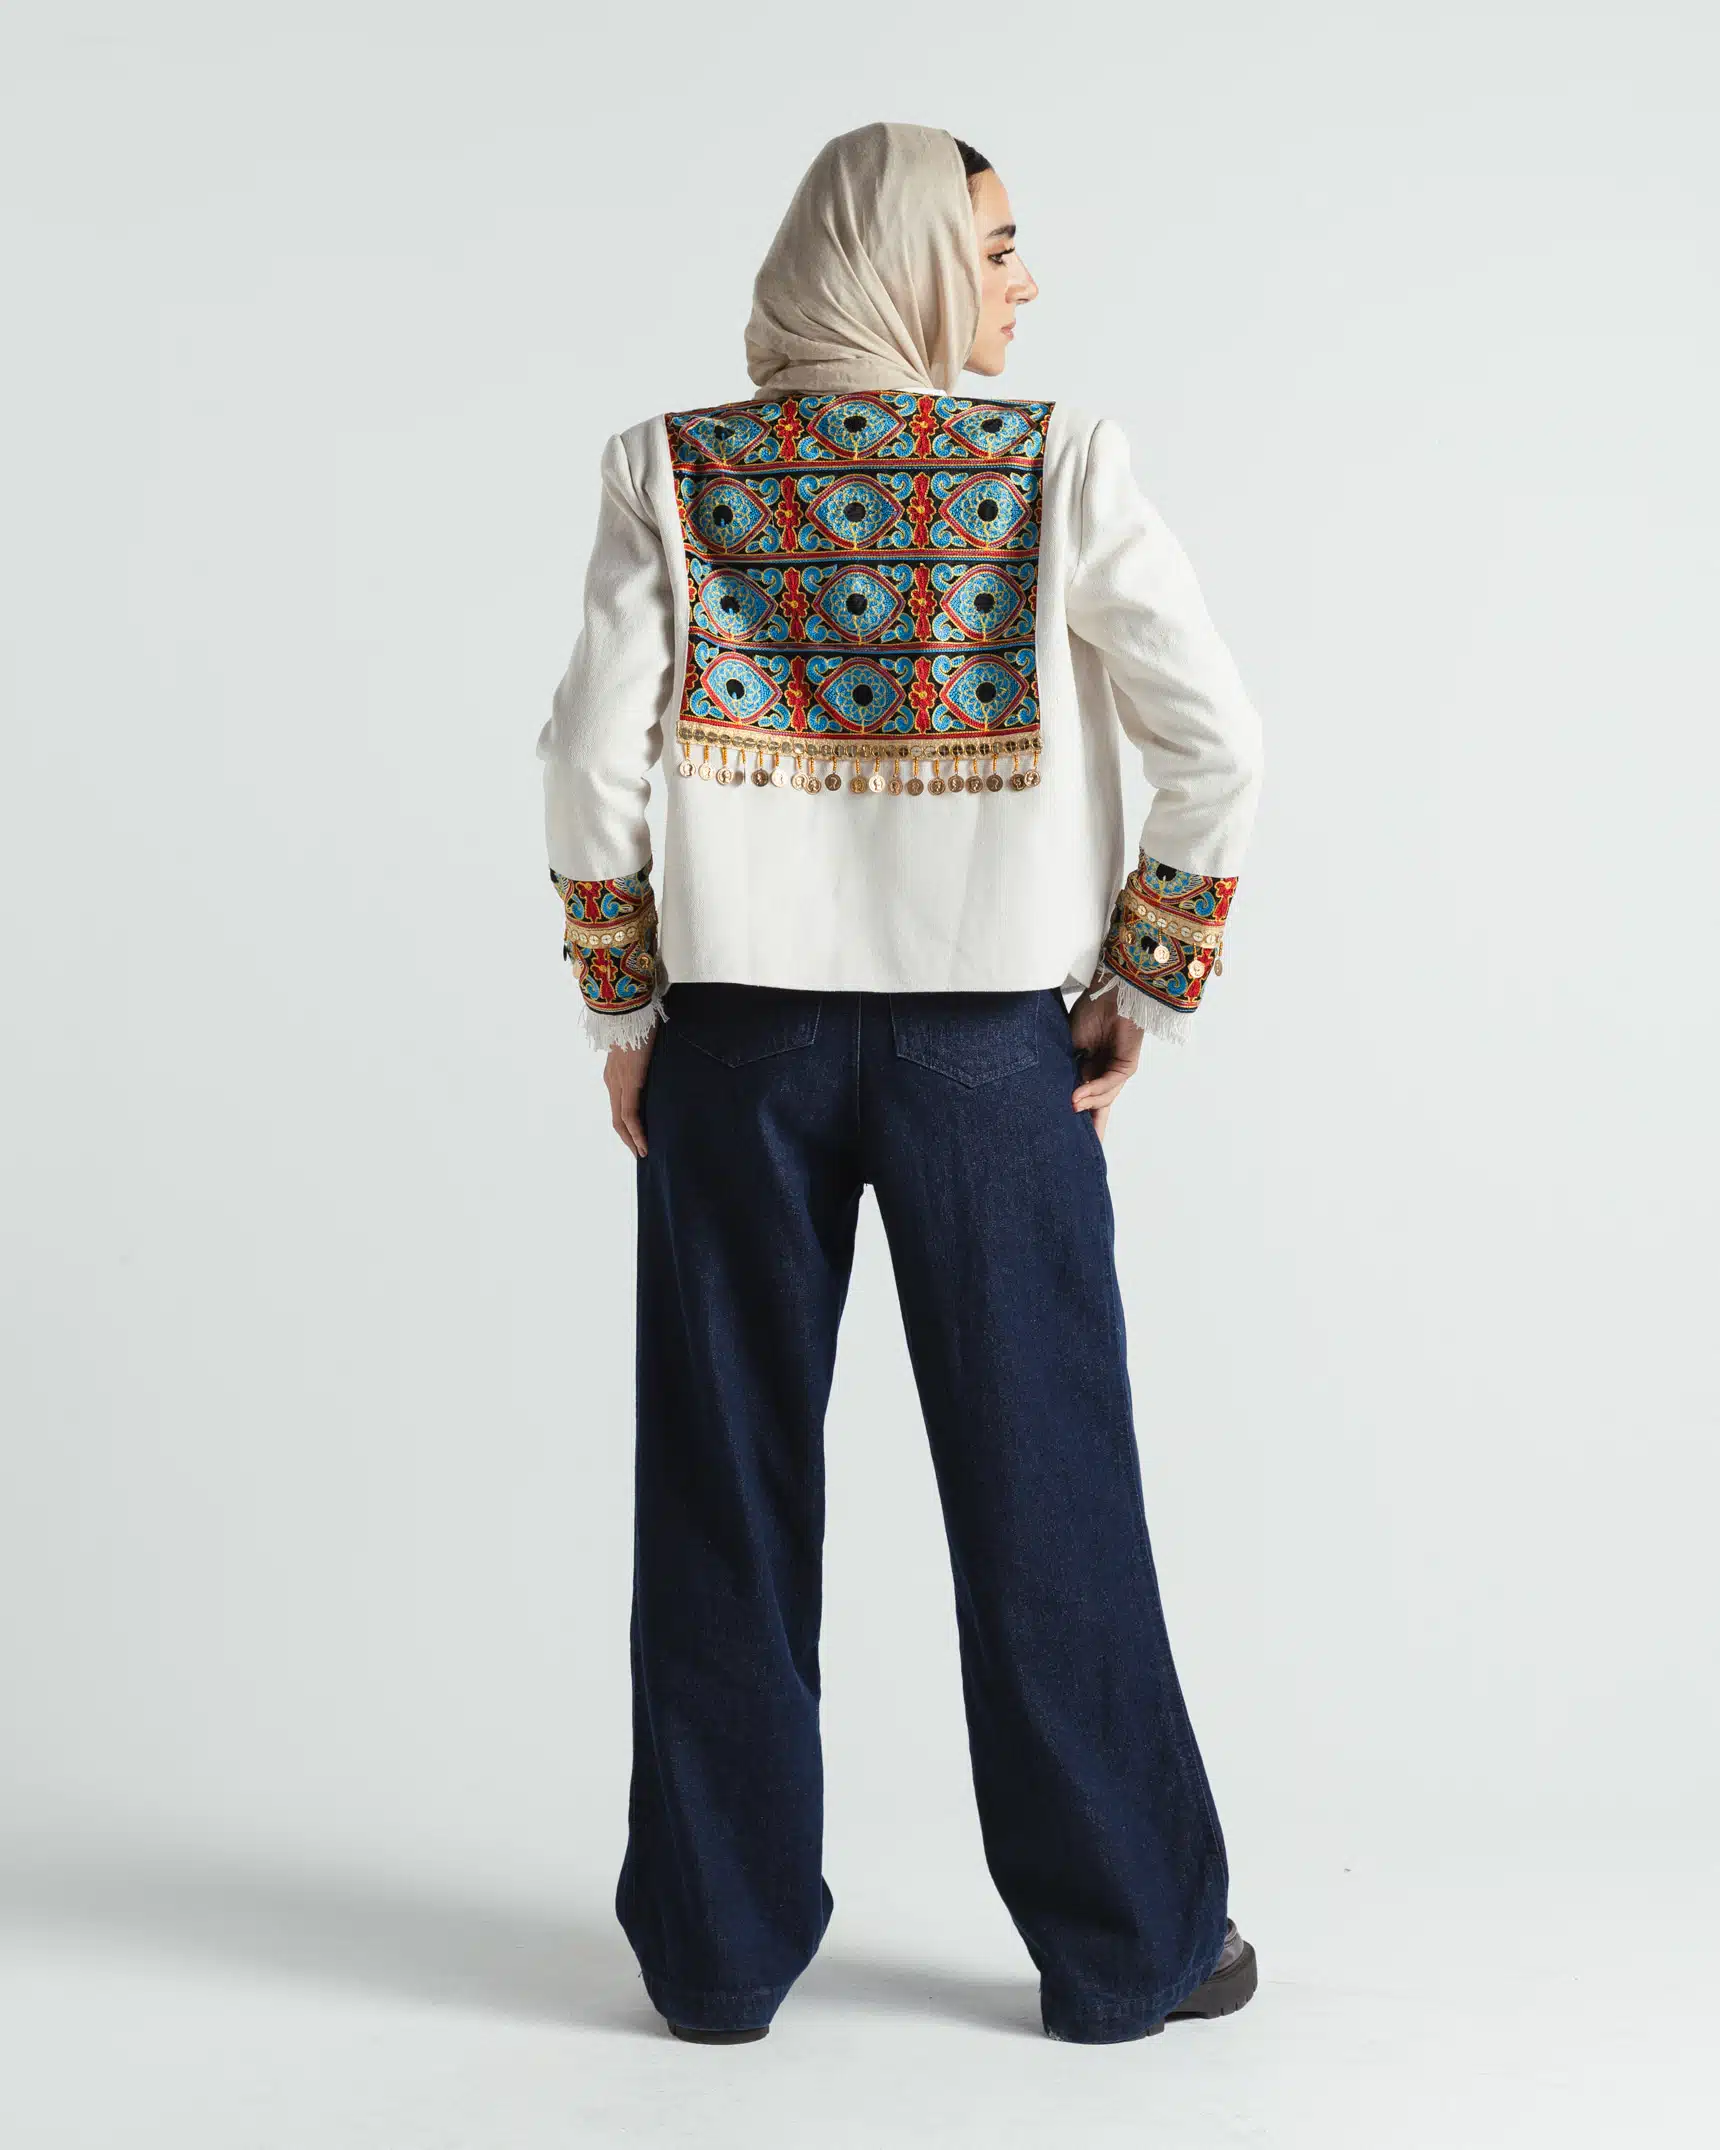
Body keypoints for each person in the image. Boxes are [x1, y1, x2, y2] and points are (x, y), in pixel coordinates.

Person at [536, 121, 1264, 2046]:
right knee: (1050, 1485)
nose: (1024, 281)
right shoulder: (1057, 461)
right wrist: (1145, 980)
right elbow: (1219, 737)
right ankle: (1129, 1943)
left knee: (723, 1487)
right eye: (997, 245)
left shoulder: (673, 467)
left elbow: (587, 762)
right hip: (989, 1059)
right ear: (915, 260)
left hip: (737, 1054)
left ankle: (715, 1954)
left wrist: (626, 1010)